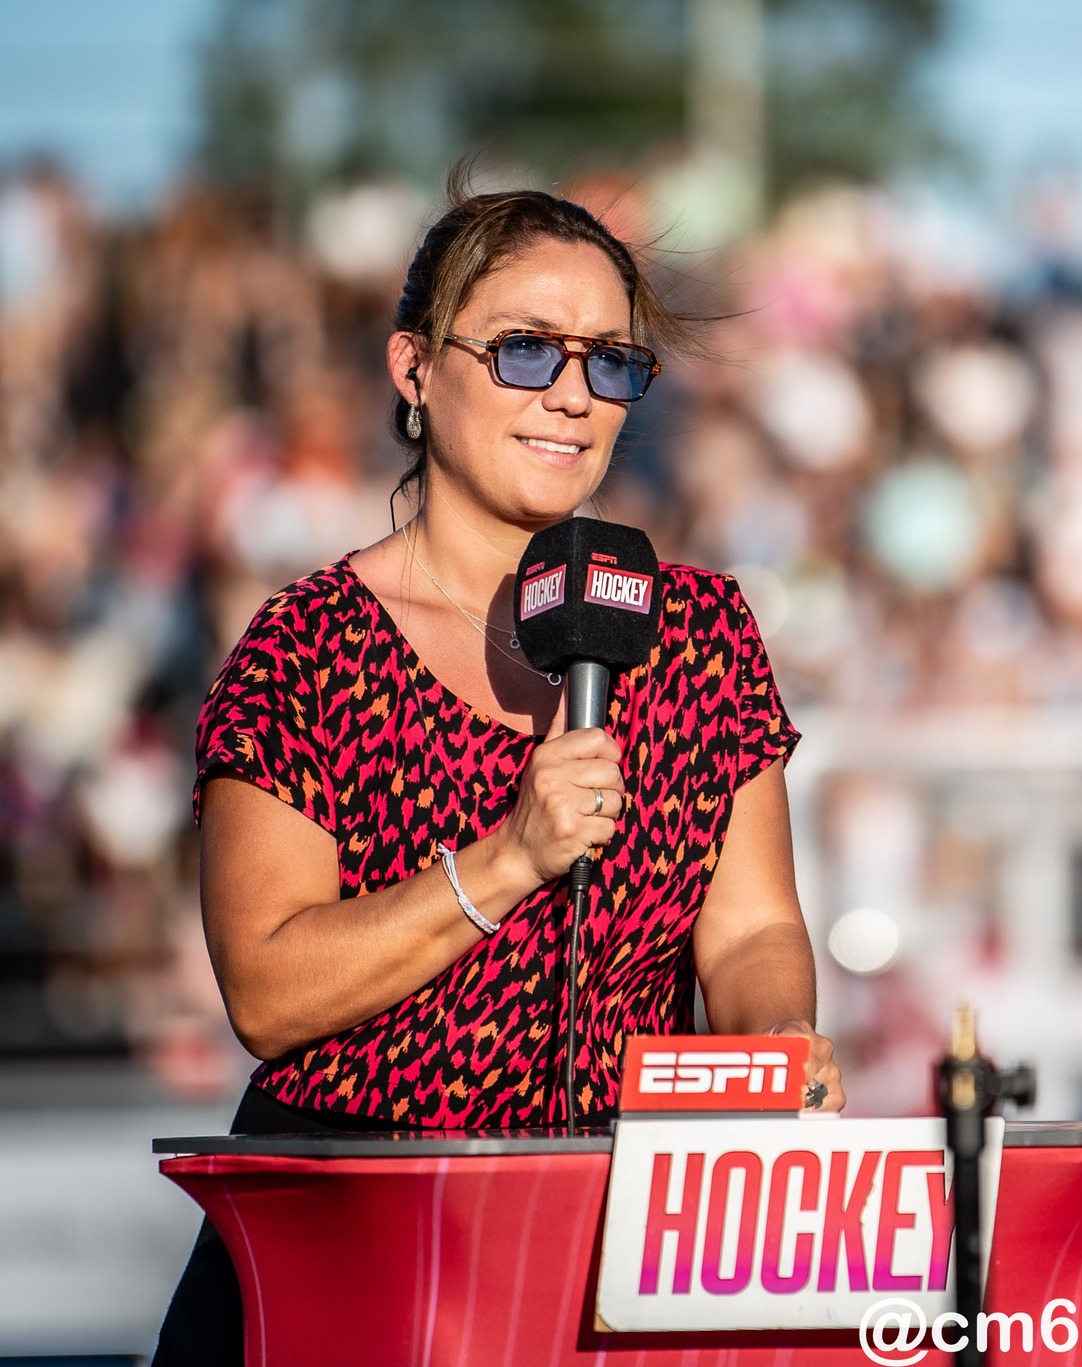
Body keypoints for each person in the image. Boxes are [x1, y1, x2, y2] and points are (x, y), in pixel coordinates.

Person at [154, 182, 842, 1365]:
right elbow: (267, 990)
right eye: (525, 349)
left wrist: (773, 1038)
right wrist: (502, 862)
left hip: (606, 1263)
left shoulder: (702, 630)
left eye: (611, 362)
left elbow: (749, 931)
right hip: (362, 1263)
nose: (572, 393)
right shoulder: (305, 646)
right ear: (415, 369)